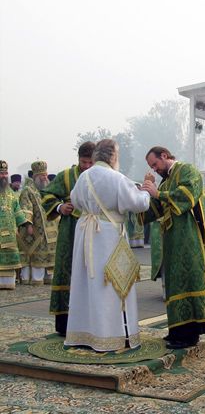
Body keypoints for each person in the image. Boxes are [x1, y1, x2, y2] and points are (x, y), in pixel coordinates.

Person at [64, 139, 150, 352]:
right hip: (108, 235)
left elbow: (74, 200)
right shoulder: (117, 178)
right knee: (111, 283)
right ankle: (110, 335)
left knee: (86, 282)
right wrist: (148, 191)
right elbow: (138, 204)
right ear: (113, 156)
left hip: (85, 231)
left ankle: (83, 333)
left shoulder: (83, 177)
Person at [142, 146, 205, 349]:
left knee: (190, 281)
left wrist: (157, 193)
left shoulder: (188, 170)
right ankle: (176, 331)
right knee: (176, 284)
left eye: (155, 164)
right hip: (173, 241)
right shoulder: (166, 181)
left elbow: (187, 196)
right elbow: (157, 208)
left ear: (165, 156)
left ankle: (189, 336)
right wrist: (140, 198)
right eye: (151, 167)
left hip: (191, 238)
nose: (154, 169)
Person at [41, 141, 95, 335]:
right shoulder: (66, 176)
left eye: (90, 162)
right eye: (83, 162)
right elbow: (46, 195)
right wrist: (59, 207)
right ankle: (64, 323)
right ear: (78, 159)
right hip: (70, 231)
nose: (87, 166)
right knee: (66, 269)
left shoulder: (101, 176)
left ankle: (91, 320)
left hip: (93, 231)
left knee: (91, 270)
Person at [18, 161, 58, 285]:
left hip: (51, 229)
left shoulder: (49, 189)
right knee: (37, 254)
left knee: (50, 255)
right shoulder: (28, 190)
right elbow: (26, 207)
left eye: (45, 174)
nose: (45, 177)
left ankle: (48, 277)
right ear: (35, 176)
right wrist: (28, 224)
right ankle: (36, 278)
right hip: (37, 229)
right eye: (42, 175)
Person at [0, 160, 31, 289]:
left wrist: (25, 223)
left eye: (5, 173)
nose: (4, 176)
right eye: (1, 173)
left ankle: (7, 283)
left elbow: (17, 209)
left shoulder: (11, 193)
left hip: (10, 235)